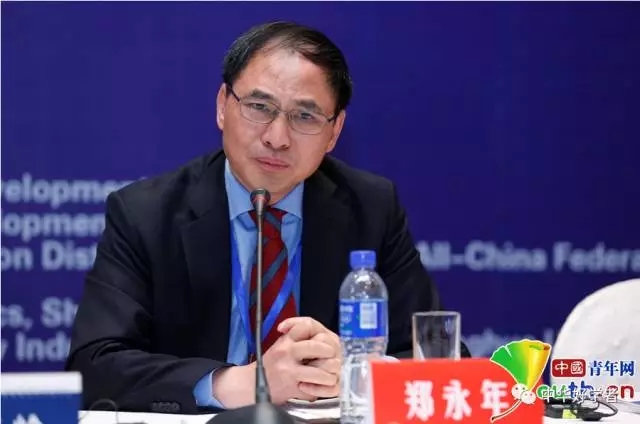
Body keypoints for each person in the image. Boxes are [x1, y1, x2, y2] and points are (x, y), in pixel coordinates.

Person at [65, 20, 471, 415]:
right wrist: (237, 384)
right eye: (260, 107)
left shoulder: (372, 208)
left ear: (334, 132)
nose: (277, 138)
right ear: (222, 106)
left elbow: (440, 364)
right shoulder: (146, 214)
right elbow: (94, 365)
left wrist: (357, 370)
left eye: (305, 116)